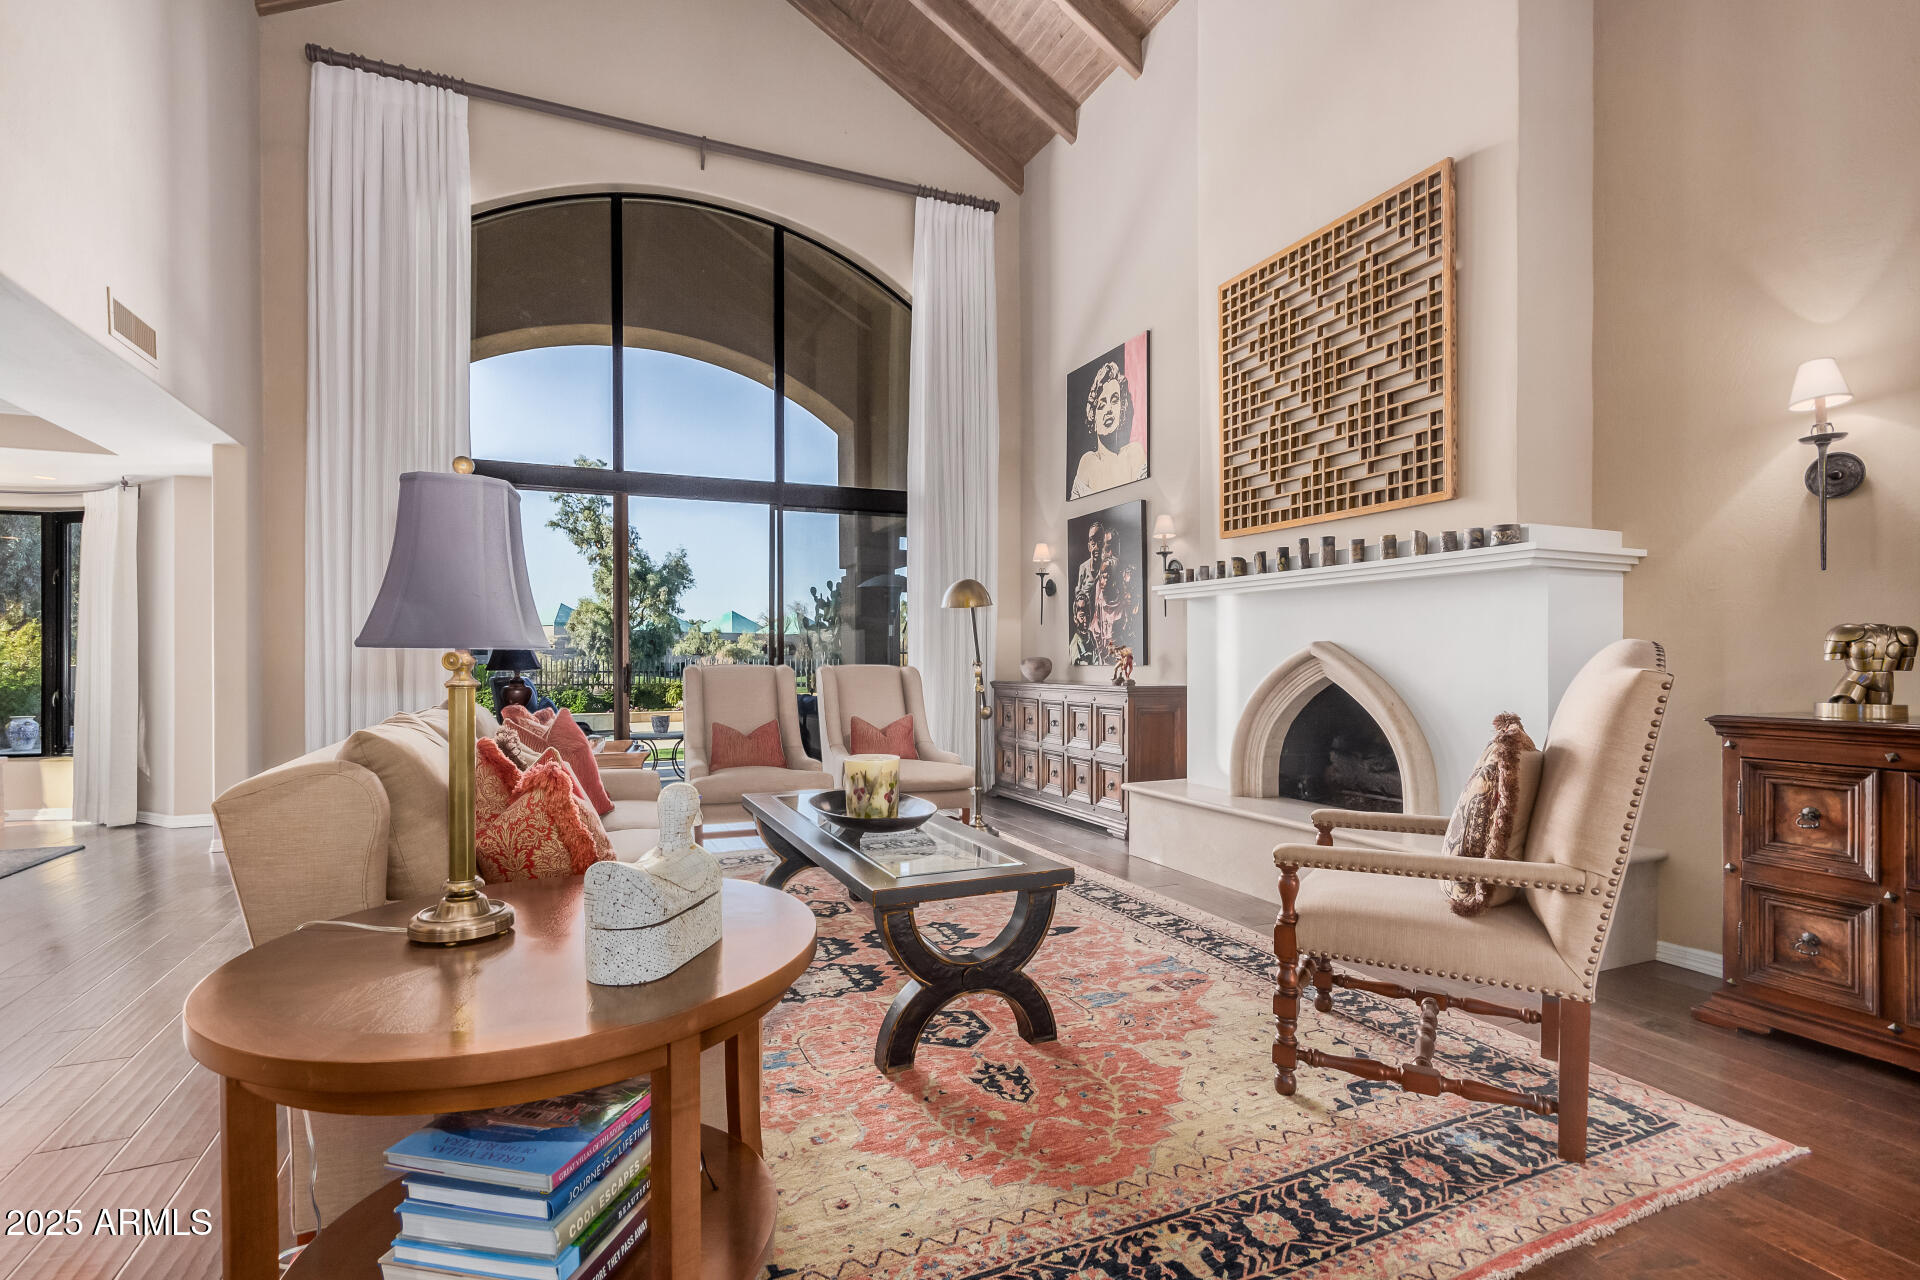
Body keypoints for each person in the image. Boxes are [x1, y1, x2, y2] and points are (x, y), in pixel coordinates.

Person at [1069, 360, 1147, 498]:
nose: (1109, 409)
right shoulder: (1088, 463)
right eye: (1102, 404)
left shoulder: (1135, 453)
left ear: (1121, 408)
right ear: (1093, 414)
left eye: (1115, 400)